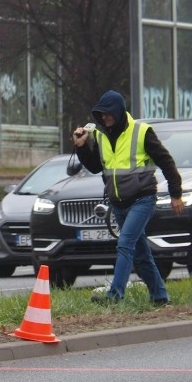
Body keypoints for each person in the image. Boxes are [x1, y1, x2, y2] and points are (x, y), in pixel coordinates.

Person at [72, 90, 183, 305]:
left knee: (125, 244)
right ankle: (160, 297)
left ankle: (115, 296)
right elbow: (95, 167)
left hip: (143, 199)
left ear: (119, 111)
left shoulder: (142, 132)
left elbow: (166, 162)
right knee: (141, 255)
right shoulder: (101, 135)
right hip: (119, 203)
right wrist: (82, 147)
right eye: (102, 115)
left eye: (108, 114)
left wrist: (175, 193)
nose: (105, 118)